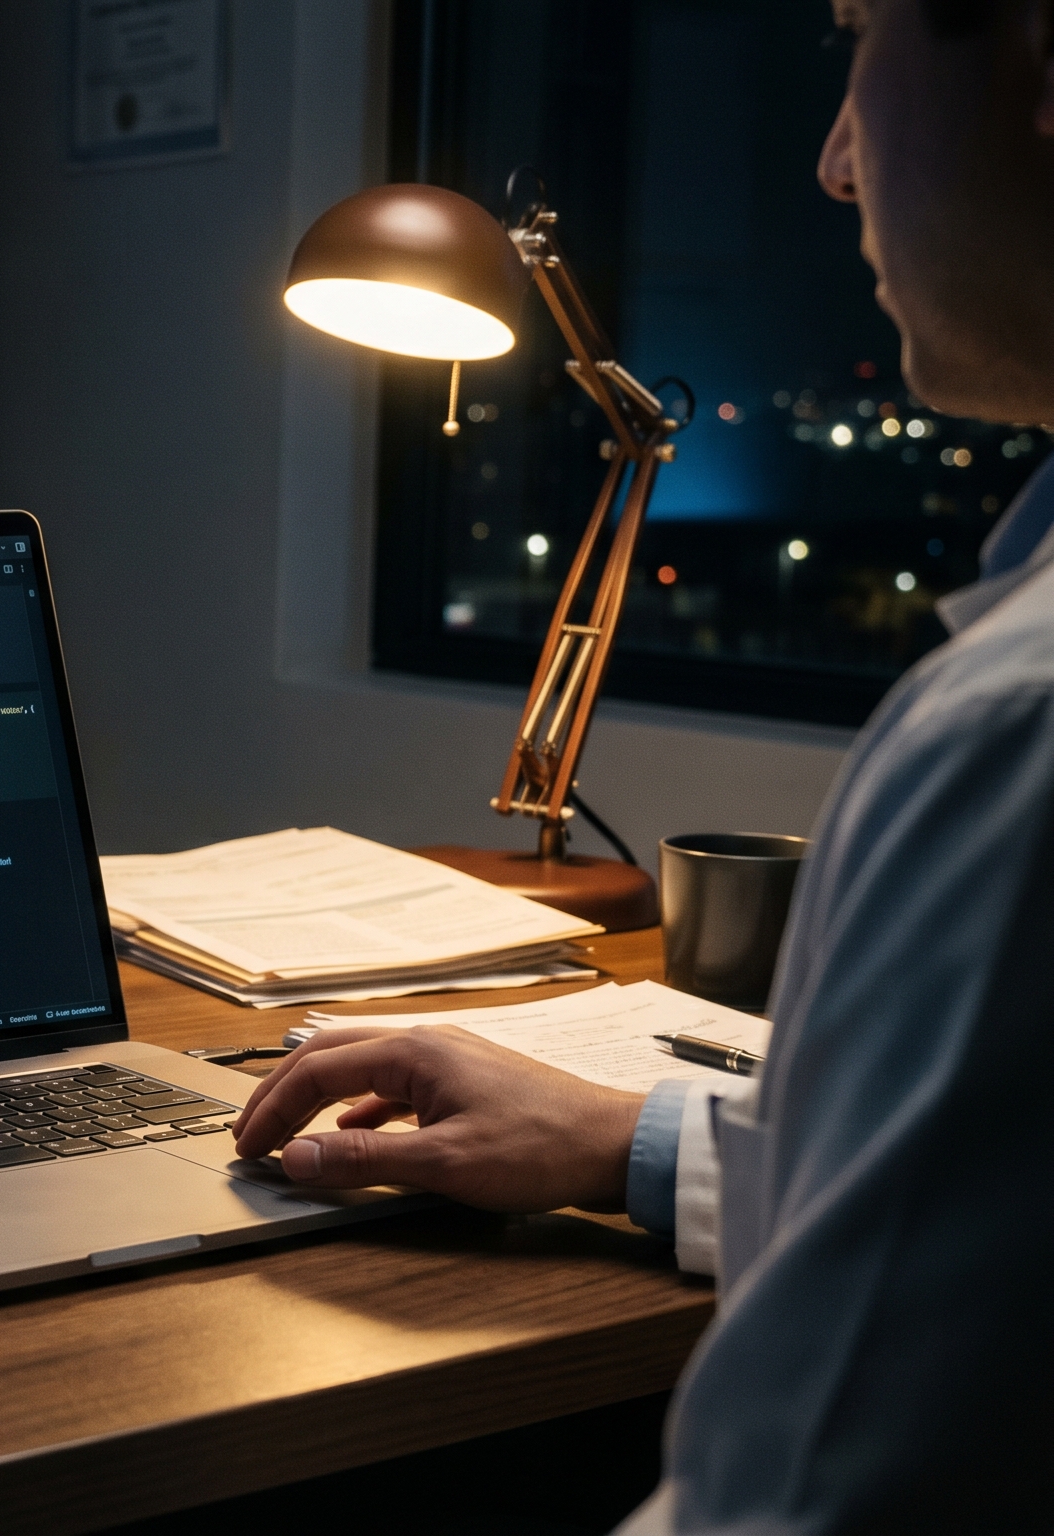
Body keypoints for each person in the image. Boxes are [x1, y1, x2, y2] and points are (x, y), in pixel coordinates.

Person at [230, 1, 1054, 1528]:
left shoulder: (1015, 732)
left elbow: (804, 1498)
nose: (833, 163)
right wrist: (619, 1139)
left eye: (862, 36)